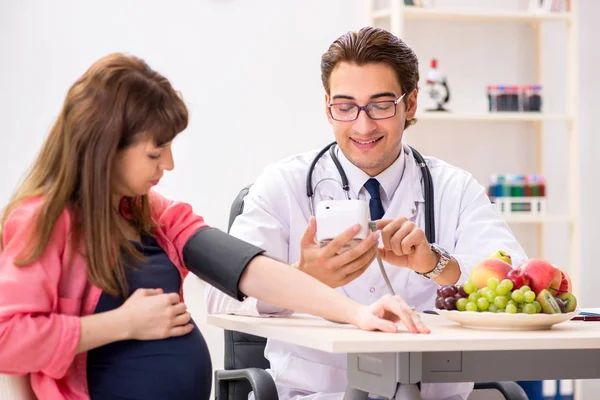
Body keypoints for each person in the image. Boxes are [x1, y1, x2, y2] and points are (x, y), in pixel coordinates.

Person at [0, 53, 430, 400]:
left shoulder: (152, 212)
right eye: (155, 153)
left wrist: (358, 313)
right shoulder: (42, 221)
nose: (168, 164)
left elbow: (248, 269)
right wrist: (123, 324)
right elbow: (7, 337)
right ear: (105, 148)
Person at [205, 26, 527, 400]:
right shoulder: (284, 184)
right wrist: (301, 279)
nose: (363, 124)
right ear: (328, 107)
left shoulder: (453, 188)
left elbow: (516, 279)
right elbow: (219, 295)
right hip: (318, 396)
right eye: (345, 107)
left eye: (380, 105)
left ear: (411, 104)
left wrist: (436, 264)